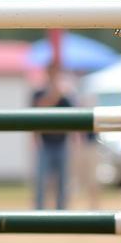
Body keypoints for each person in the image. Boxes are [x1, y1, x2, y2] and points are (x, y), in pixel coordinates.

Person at [32, 60, 73, 210]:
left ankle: (61, 211)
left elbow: (72, 117)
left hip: (61, 143)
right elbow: (38, 110)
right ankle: (38, 211)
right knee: (41, 180)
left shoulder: (66, 96)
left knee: (62, 181)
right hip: (45, 143)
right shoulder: (39, 93)